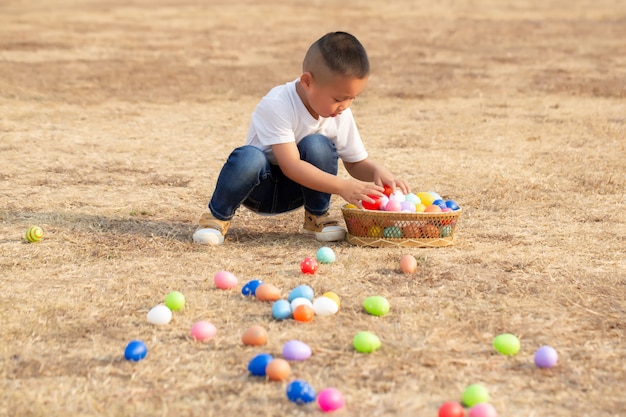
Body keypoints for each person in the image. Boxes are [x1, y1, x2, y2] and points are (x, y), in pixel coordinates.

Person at [193, 31, 409, 245]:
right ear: (307, 82)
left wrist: (377, 172)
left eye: (352, 98)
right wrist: (343, 186)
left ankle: (317, 216)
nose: (345, 106)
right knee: (249, 157)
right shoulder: (277, 103)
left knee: (318, 144)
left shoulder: (340, 113)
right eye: (338, 98)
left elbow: (355, 163)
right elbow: (291, 165)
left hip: (297, 192)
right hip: (258, 188)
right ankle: (216, 218)